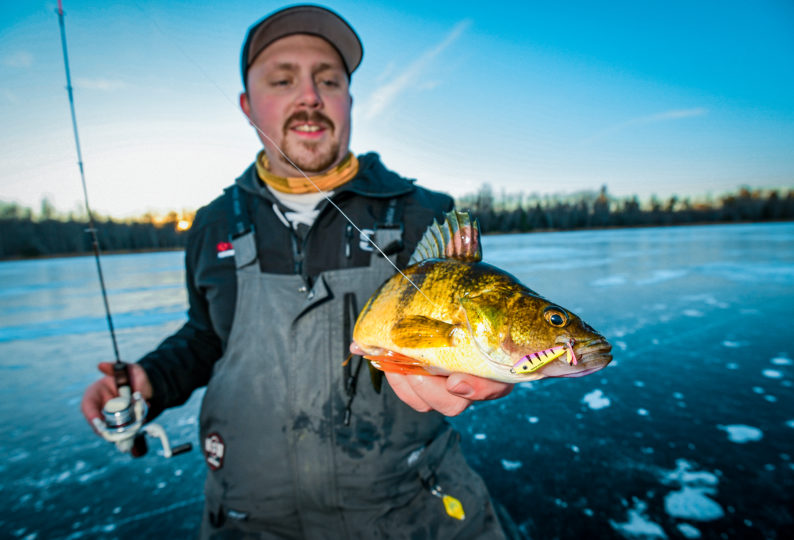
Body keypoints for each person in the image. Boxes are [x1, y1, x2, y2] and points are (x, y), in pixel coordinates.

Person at [81, 5, 517, 538]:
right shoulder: (212, 224)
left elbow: (468, 328)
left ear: (349, 101)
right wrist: (152, 378)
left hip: (411, 513)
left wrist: (476, 366)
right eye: (283, 79)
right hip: (249, 520)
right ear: (247, 105)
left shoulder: (424, 215)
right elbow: (206, 334)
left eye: (328, 80)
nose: (309, 95)